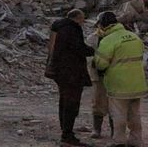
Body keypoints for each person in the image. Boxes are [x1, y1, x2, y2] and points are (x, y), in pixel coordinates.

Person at [94, 11, 147, 147]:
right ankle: (136, 140)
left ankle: (119, 141)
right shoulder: (134, 37)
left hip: (118, 85)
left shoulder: (108, 40)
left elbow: (101, 64)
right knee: (135, 114)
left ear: (103, 25)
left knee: (119, 114)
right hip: (137, 83)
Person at [48, 9, 93, 146]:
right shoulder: (72, 29)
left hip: (59, 71)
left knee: (64, 100)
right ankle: (67, 134)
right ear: (77, 18)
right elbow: (77, 48)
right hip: (71, 72)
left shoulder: (58, 28)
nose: (83, 22)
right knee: (71, 103)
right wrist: (93, 51)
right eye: (82, 19)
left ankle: (65, 130)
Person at [85, 18, 112, 139]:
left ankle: (115, 131)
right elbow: (87, 55)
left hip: (114, 75)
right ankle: (97, 129)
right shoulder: (93, 38)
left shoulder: (116, 38)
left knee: (115, 105)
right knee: (97, 102)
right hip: (98, 75)